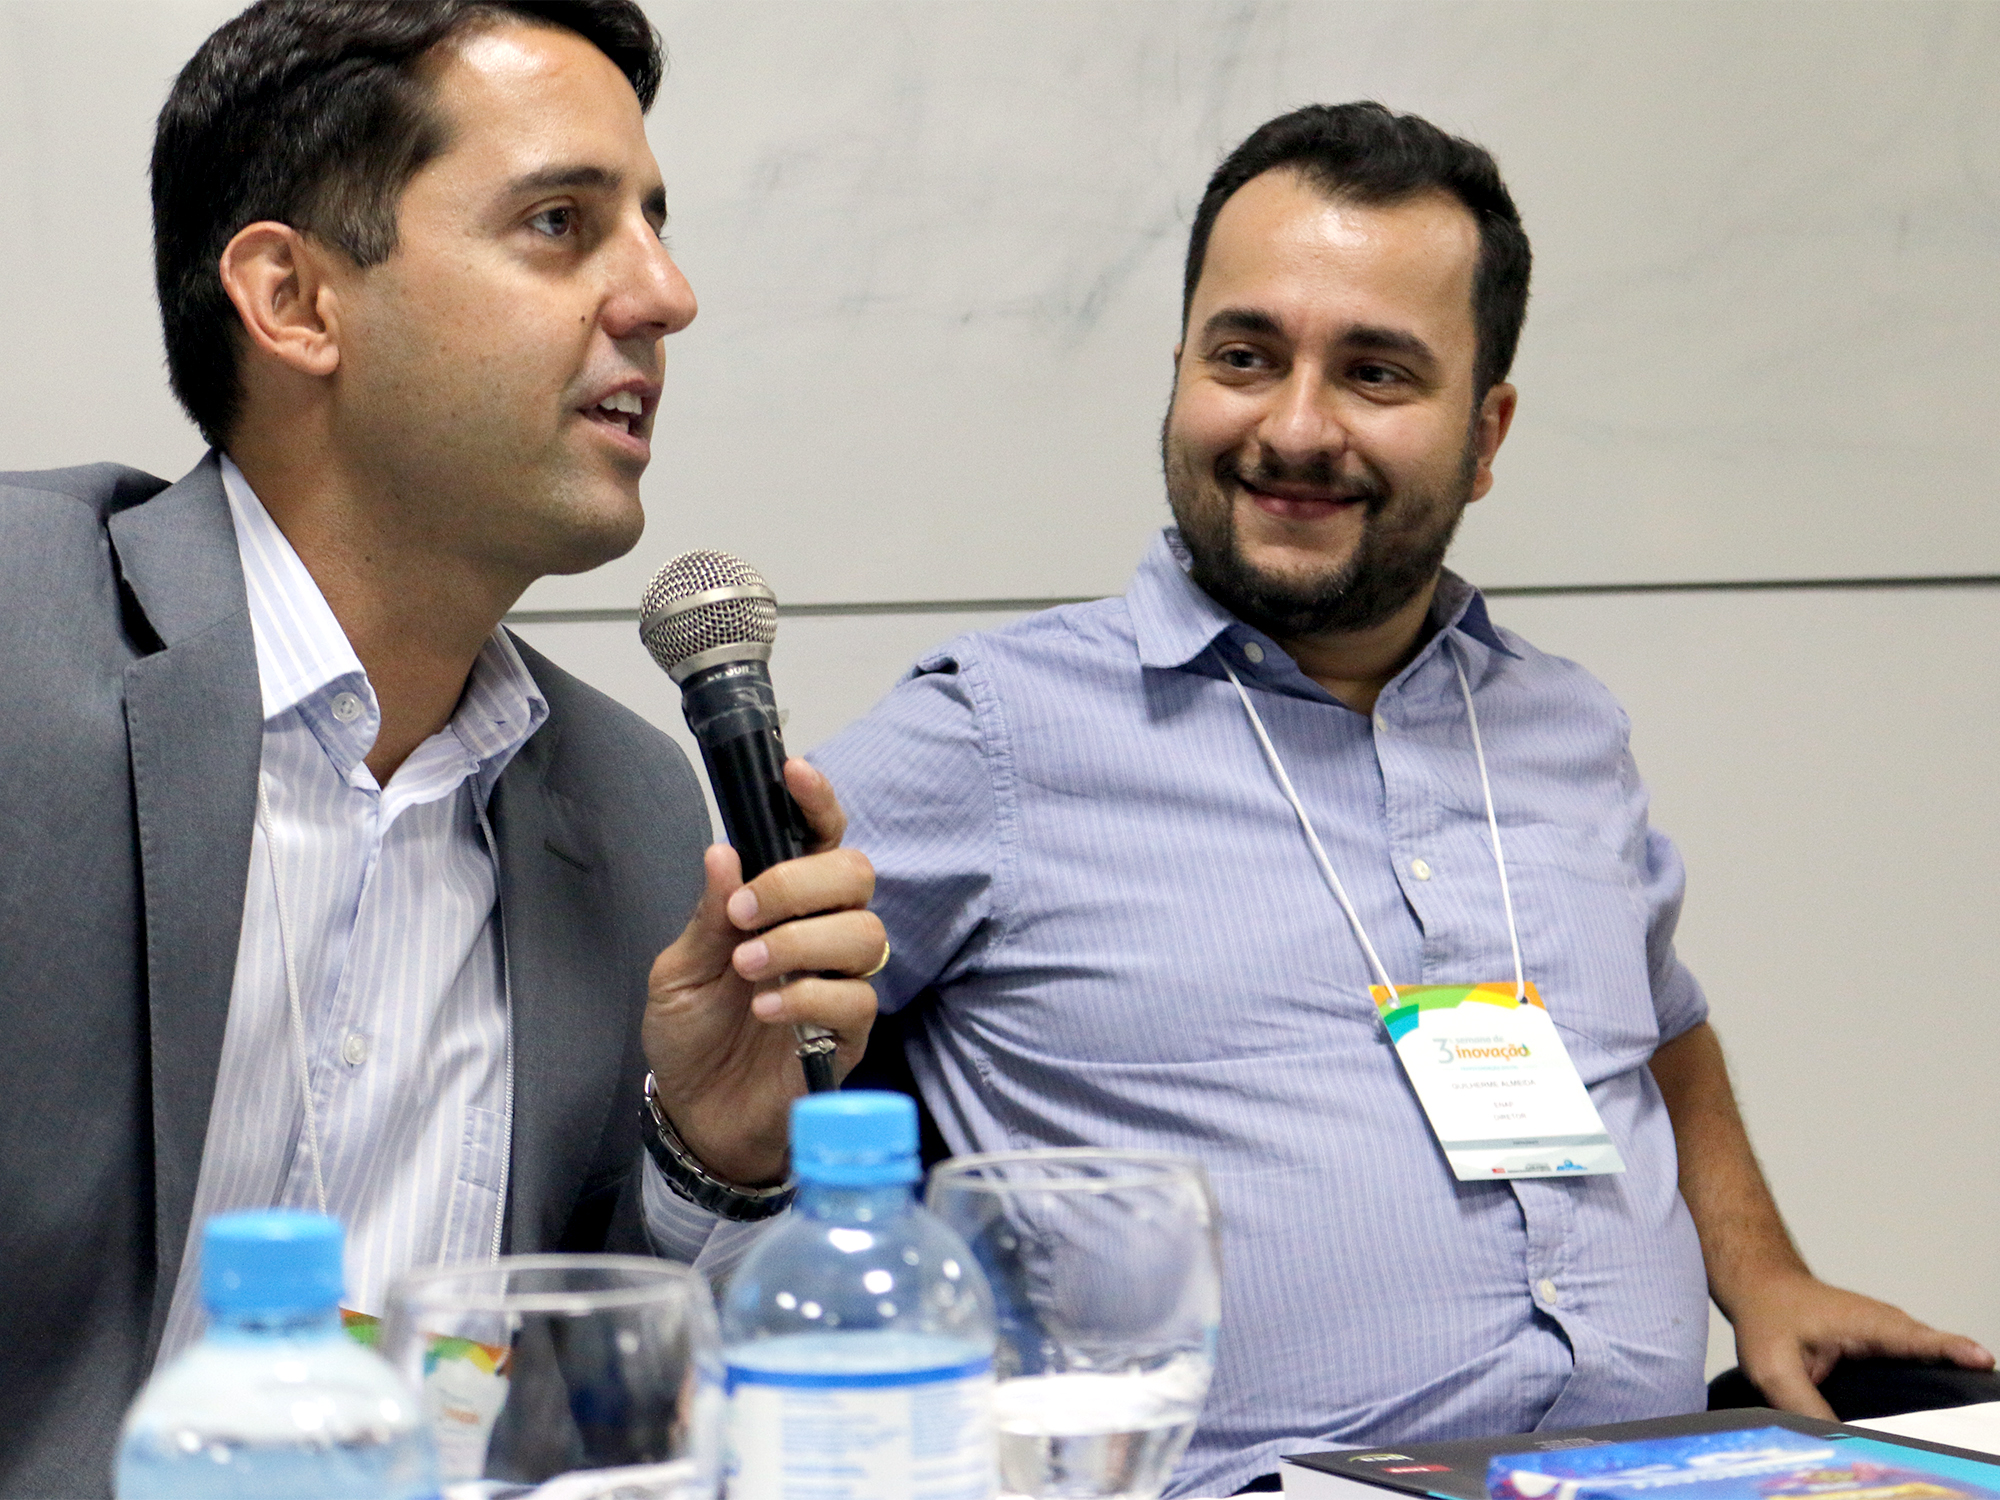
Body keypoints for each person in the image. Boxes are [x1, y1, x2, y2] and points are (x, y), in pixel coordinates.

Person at [810, 103, 1993, 1496]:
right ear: (1180, 374)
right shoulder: (990, 733)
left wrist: (1767, 1273)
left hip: (1662, 1470)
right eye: (1245, 357)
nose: (1294, 428)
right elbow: (725, 1060)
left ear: (1486, 436)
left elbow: (1664, 1030)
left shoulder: (1563, 730)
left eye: (1376, 373)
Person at [0, 4, 884, 1494]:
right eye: (560, 222)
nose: (666, 296)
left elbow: (600, 1431)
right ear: (294, 300)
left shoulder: (633, 807)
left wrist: (712, 1159)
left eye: (655, 227)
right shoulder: (26, 634)